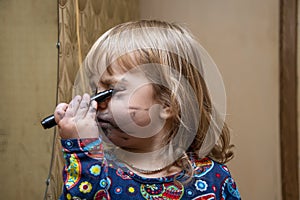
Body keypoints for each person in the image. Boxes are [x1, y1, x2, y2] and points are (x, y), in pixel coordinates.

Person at [54, 20, 241, 199]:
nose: (96, 102)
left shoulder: (214, 180)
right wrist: (83, 153)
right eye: (96, 89)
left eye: (115, 89)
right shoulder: (95, 170)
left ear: (168, 103)